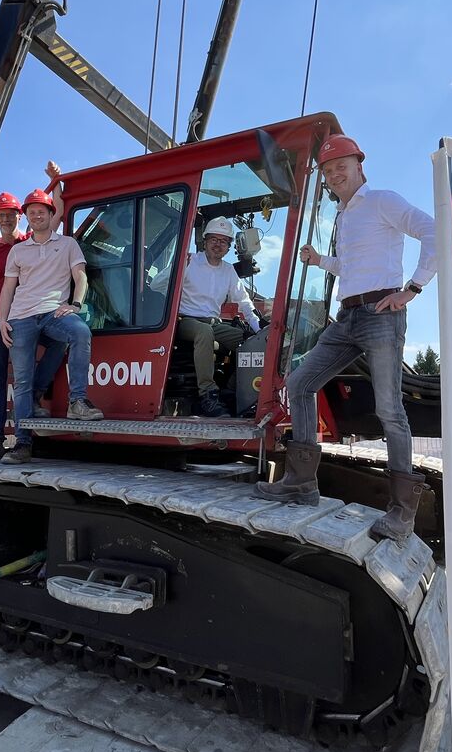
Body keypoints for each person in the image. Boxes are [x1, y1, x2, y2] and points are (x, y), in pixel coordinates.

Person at [253, 134, 436, 542]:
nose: (335, 175)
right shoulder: (343, 216)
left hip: (381, 316)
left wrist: (413, 287)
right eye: (328, 171)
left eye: (341, 166)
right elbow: (353, 265)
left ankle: (402, 513)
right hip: (346, 316)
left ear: (359, 166)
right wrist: (321, 261)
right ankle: (300, 485)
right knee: (300, 384)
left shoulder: (383, 200)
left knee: (390, 411)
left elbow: (434, 231)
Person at [0, 165, 68, 460]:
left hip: (28, 315)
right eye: (1, 215)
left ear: (19, 216)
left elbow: (58, 212)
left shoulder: (30, 242)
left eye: (11, 214)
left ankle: (36, 395)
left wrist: (55, 181)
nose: (6, 218)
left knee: (58, 343)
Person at [0, 188, 103, 464]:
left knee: (80, 332)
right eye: (31, 212)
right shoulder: (18, 251)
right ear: (27, 217)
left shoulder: (67, 244)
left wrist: (76, 305)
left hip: (53, 312)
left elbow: (80, 278)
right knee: (21, 381)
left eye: (41, 211)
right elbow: (8, 288)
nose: (36, 216)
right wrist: (2, 319)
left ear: (50, 214)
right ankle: (22, 444)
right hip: (21, 317)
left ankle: (77, 401)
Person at [175, 217, 262, 417]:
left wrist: (259, 331)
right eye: (214, 239)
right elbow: (158, 286)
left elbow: (244, 302)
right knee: (204, 332)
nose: (218, 244)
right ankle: (207, 395)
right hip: (185, 321)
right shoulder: (189, 261)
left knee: (250, 343)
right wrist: (176, 269)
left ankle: (230, 391)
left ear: (229, 247)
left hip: (214, 323)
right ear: (205, 241)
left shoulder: (228, 270)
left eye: (223, 241)